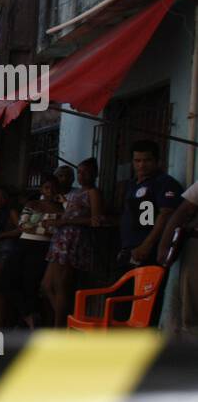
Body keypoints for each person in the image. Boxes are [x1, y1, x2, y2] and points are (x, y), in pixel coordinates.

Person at [43, 157, 103, 327]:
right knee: (47, 285)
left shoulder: (93, 193)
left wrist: (65, 222)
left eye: (85, 172)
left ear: (94, 174)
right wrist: (57, 221)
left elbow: (95, 220)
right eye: (79, 172)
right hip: (60, 238)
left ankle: (60, 327)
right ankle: (70, 321)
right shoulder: (75, 193)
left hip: (74, 240)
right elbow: (70, 213)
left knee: (61, 286)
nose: (81, 175)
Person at [118, 139, 182, 270]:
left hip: (150, 250)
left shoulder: (164, 183)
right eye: (137, 161)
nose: (141, 165)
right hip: (130, 249)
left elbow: (166, 214)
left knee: (145, 290)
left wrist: (147, 245)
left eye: (147, 160)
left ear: (157, 160)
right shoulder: (132, 184)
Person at [13, 178, 61, 328]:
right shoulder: (32, 204)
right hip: (25, 244)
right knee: (12, 280)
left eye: (53, 188)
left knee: (34, 283)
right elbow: (23, 225)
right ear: (41, 189)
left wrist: (39, 226)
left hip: (44, 248)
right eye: (46, 187)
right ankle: (26, 315)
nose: (50, 191)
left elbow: (60, 228)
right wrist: (47, 227)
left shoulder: (62, 207)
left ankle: (34, 320)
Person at [0, 187, 22, 330]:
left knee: (0, 286)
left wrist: (3, 235)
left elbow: (20, 229)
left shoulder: (11, 212)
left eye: (1, 197)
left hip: (6, 249)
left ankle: (1, 322)